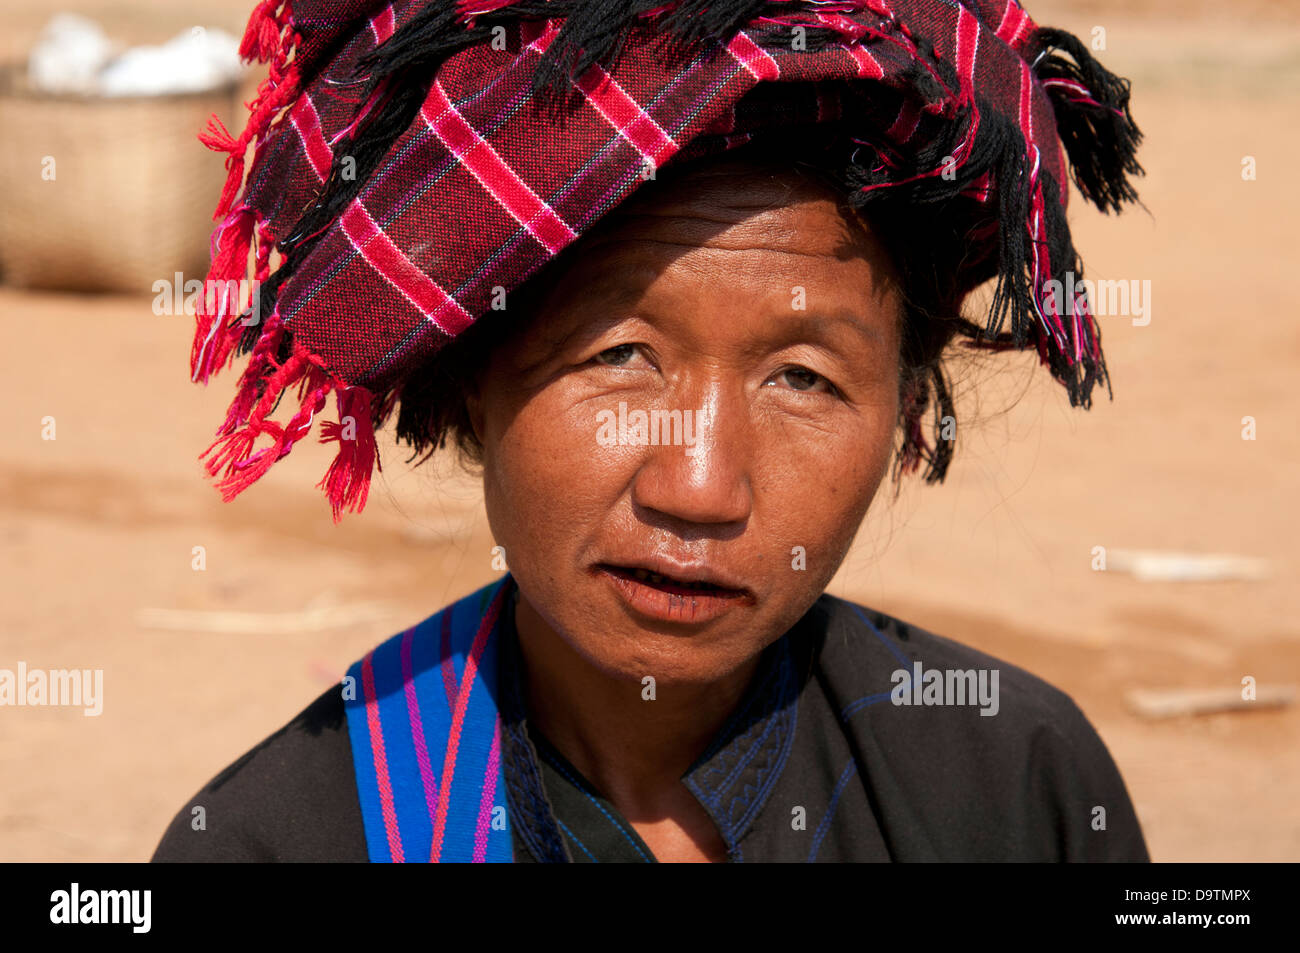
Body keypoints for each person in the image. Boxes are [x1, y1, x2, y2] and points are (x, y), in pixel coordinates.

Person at [154, 0, 1148, 862]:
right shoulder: (287, 837)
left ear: (904, 415)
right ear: (467, 380)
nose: (701, 488)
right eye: (619, 354)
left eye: (802, 376)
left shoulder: (1014, 786)